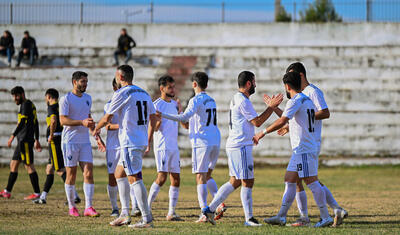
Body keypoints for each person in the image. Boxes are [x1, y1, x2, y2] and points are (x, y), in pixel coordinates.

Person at [202, 71, 283, 227]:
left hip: (236, 144)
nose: (255, 85)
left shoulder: (237, 97)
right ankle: (249, 219)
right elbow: (257, 122)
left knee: (235, 181)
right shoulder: (243, 101)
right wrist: (271, 108)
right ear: (248, 84)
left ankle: (210, 209)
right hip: (240, 147)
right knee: (247, 181)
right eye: (254, 82)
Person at [253, 71, 334, 228]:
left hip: (303, 148)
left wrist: (261, 133)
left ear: (287, 86)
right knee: (290, 180)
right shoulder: (306, 99)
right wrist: (274, 108)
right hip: (302, 149)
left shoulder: (296, 100)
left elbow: (284, 119)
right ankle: (282, 217)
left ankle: (325, 217)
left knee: (312, 182)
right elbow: (291, 116)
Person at [278, 62, 348, 227]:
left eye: (294, 75)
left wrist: (305, 117)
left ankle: (320, 214)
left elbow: (325, 112)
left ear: (301, 75)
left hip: (310, 141)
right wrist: (294, 123)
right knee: (301, 179)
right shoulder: (301, 94)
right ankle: (334, 210)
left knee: (308, 179)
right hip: (302, 141)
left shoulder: (312, 92)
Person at [157, 72, 226, 223]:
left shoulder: (195, 100)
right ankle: (218, 203)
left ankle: (204, 212)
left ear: (194, 84)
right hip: (216, 140)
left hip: (202, 142)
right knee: (208, 175)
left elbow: (183, 118)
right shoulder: (211, 100)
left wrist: (163, 114)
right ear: (206, 85)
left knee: (200, 176)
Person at [95, 65, 158, 229]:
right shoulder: (143, 93)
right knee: (119, 172)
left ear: (120, 77)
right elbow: (153, 117)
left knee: (135, 178)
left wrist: (96, 128)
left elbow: (107, 117)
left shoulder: (121, 93)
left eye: (116, 76)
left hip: (130, 142)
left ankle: (146, 219)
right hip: (139, 140)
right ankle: (124, 214)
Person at [59, 71, 99, 217]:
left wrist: (96, 134)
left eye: (86, 81)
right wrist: (80, 122)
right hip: (70, 141)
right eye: (83, 81)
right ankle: (72, 207)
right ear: (74, 82)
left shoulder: (88, 98)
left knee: (88, 172)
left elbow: (88, 118)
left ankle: (88, 207)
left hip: (85, 142)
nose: (85, 84)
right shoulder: (66, 99)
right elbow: (63, 121)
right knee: (72, 175)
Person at [146, 75, 184, 221]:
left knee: (176, 179)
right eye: (170, 87)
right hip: (162, 146)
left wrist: (180, 111)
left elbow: (183, 123)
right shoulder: (156, 105)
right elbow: (154, 127)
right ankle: (147, 208)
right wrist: (148, 143)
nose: (173, 89)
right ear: (162, 88)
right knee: (161, 178)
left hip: (173, 146)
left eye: (173, 87)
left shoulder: (175, 104)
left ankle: (171, 213)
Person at [33, 88, 80, 205]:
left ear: (48, 96)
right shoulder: (60, 106)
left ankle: (74, 196)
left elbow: (53, 121)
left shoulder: (52, 107)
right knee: (49, 168)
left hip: (55, 140)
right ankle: (43, 197)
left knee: (59, 169)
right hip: (61, 138)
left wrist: (51, 135)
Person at [0, 86, 42, 200]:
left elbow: (23, 122)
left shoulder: (26, 105)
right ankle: (7, 191)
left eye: (16, 95)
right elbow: (36, 122)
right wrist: (37, 139)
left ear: (22, 94)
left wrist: (12, 136)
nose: (15, 98)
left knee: (29, 166)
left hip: (25, 141)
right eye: (13, 96)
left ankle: (37, 193)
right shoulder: (29, 105)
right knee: (13, 164)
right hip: (22, 141)